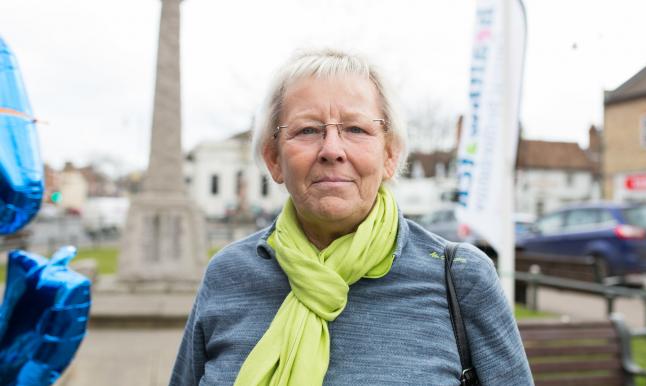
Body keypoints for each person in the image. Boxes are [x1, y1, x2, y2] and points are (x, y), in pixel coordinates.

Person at [169, 48, 532, 385]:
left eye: (356, 129)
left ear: (390, 155)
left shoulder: (459, 277)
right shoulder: (228, 276)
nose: (331, 150)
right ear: (273, 159)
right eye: (307, 130)